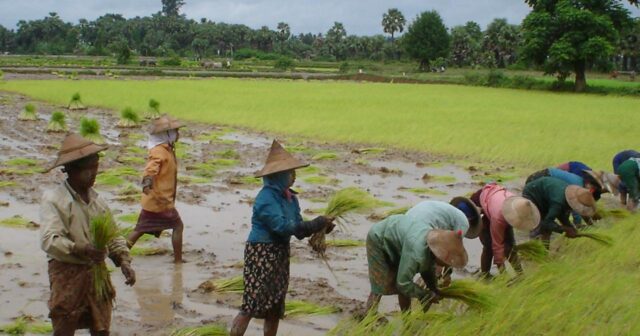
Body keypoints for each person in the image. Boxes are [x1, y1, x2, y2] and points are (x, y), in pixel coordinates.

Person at [230, 140, 335, 336]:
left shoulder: (291, 198)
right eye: (290, 172)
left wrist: (321, 227)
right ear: (277, 175)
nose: (294, 176)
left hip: (280, 254)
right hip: (262, 253)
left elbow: (298, 228)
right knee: (251, 304)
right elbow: (282, 227)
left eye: (294, 172)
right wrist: (314, 224)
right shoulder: (265, 198)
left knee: (275, 306)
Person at [40, 133, 135, 336]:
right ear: (71, 170)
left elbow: (113, 236)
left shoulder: (97, 202)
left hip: (96, 274)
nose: (94, 174)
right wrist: (81, 248)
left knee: (101, 327)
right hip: (67, 273)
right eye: (88, 169)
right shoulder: (55, 200)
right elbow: (50, 240)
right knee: (64, 324)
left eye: (96, 168)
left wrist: (124, 261)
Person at [362, 206, 469, 315]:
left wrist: (434, 289)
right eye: (448, 261)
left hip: (399, 241)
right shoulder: (416, 252)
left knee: (406, 282)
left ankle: (406, 317)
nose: (448, 264)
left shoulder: (430, 249)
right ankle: (369, 314)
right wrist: (424, 295)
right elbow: (403, 283)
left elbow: (428, 271)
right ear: (440, 253)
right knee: (380, 282)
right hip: (379, 238)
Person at [127, 115, 185, 263]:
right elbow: (151, 168)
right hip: (159, 201)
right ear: (166, 134)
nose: (178, 134)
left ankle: (119, 253)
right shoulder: (159, 151)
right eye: (176, 132)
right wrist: (147, 183)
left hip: (158, 200)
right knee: (178, 226)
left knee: (140, 230)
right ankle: (178, 262)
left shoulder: (167, 149)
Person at [470, 183, 540, 277]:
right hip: (481, 203)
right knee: (489, 245)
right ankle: (485, 275)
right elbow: (497, 245)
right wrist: (503, 275)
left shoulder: (517, 204)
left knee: (510, 247)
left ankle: (520, 275)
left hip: (495, 202)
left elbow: (508, 244)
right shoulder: (498, 217)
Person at [522, 177, 596, 247]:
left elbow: (563, 216)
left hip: (547, 196)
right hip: (532, 194)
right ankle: (534, 249)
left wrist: (570, 228)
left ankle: (545, 250)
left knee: (548, 228)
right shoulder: (558, 203)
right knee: (538, 225)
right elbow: (547, 222)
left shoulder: (567, 200)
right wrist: (563, 229)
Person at [525, 167, 604, 225]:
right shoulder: (578, 187)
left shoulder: (580, 184)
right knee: (541, 214)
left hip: (547, 182)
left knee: (558, 210)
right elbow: (575, 207)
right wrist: (578, 224)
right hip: (538, 181)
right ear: (589, 185)